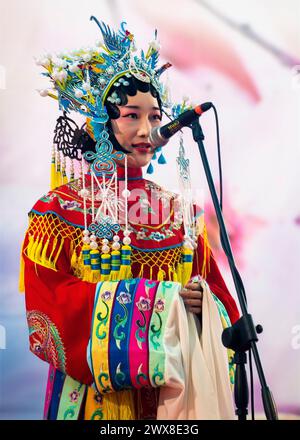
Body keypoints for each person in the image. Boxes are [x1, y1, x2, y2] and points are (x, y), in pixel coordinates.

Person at [20, 17, 239, 420]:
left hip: (174, 400)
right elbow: (46, 315)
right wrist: (161, 303)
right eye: (131, 115)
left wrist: (200, 303)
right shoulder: (57, 211)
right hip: (92, 403)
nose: (147, 129)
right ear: (99, 121)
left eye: (155, 117)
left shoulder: (180, 213)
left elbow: (223, 307)